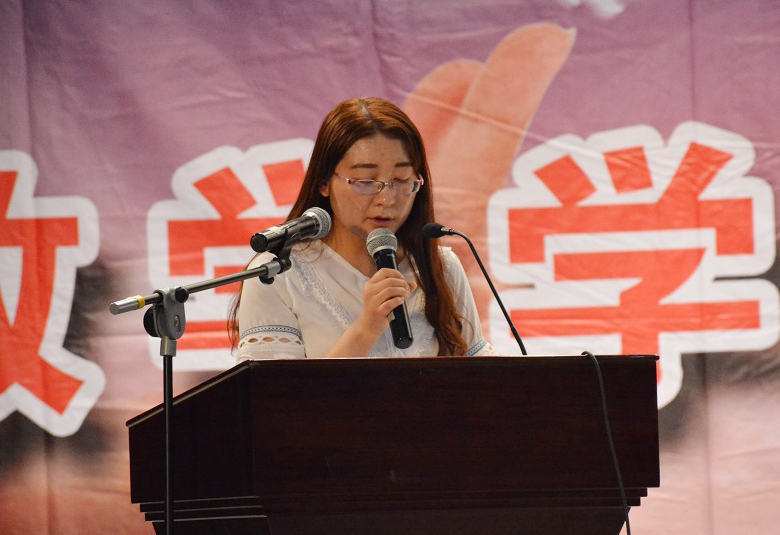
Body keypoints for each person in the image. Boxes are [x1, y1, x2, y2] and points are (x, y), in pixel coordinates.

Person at [228, 97, 496, 360]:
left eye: (402, 180)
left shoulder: (440, 266)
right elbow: (273, 390)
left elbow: (479, 375)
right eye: (366, 181)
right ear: (324, 183)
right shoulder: (276, 273)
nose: (387, 199)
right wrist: (366, 329)